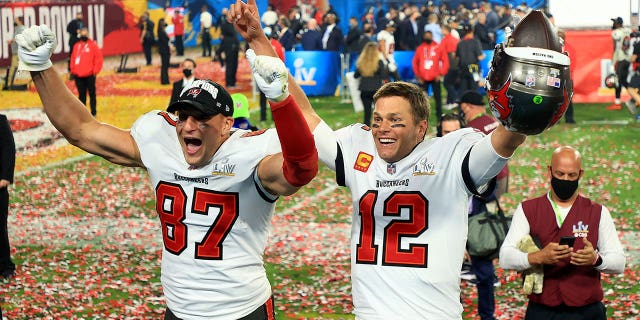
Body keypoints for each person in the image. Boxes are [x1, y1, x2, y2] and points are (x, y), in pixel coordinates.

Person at [16, 20, 318, 319]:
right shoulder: (161, 142)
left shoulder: (249, 154)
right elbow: (81, 130)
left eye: (201, 118)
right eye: (183, 115)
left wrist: (281, 101)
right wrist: (40, 67)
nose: (188, 126)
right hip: (179, 309)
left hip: (240, 309)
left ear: (227, 124)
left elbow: (301, 169)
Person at [500, 146, 626, 320]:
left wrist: (596, 260)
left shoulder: (598, 212)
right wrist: (537, 257)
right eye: (560, 174)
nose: (565, 179)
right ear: (549, 171)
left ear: (580, 174)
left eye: (571, 175)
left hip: (587, 311)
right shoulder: (528, 209)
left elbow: (619, 262)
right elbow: (505, 257)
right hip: (542, 310)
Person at [412, 30, 449, 130]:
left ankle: (440, 117)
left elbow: (445, 61)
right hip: (423, 78)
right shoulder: (420, 48)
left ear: (432, 36)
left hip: (435, 77)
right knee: (421, 99)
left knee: (438, 98)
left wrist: (441, 74)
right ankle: (421, 117)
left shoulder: (438, 47)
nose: (428, 37)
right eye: (426, 36)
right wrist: (418, 75)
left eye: (429, 35)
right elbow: (415, 62)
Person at [354, 42, 390, 126]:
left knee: (367, 114)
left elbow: (356, 75)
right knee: (379, 113)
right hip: (376, 90)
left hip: (364, 90)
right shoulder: (379, 62)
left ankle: (366, 132)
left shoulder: (361, 63)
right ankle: (380, 128)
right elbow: (384, 76)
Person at [70, 27, 103, 117]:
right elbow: (73, 58)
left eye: (85, 34)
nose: (84, 35)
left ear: (88, 34)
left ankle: (93, 112)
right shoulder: (77, 46)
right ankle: (83, 114)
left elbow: (99, 59)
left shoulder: (93, 45)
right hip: (79, 75)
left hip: (90, 75)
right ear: (80, 35)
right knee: (81, 95)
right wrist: (73, 70)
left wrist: (95, 71)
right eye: (82, 34)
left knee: (92, 94)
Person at [0, 113, 15, 280]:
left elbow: (9, 149)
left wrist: (5, 177)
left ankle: (5, 266)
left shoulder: (1, 121)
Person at [607, 17, 632, 111]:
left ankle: (618, 103)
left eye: (614, 22)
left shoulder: (616, 32)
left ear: (617, 23)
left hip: (621, 58)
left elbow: (615, 47)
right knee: (623, 80)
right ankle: (635, 96)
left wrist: (614, 60)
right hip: (629, 58)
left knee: (618, 81)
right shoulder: (628, 30)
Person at [456, 23, 485, 94]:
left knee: (463, 90)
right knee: (474, 89)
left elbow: (457, 58)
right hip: (473, 69)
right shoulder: (475, 42)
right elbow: (480, 57)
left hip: (463, 69)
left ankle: (463, 104)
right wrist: (484, 55)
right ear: (472, 31)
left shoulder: (460, 43)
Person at [218, 8, 240, 88]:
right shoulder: (225, 25)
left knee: (235, 65)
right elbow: (229, 34)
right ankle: (229, 82)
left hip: (235, 47)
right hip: (228, 47)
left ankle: (233, 82)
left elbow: (235, 35)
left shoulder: (234, 24)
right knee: (230, 64)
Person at [4, 17, 26, 90]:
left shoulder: (22, 28)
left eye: (16, 20)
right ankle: (9, 83)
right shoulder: (18, 28)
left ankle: (9, 85)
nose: (14, 21)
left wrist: (11, 41)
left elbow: (20, 38)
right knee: (14, 68)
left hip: (18, 52)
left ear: (20, 21)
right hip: (16, 52)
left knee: (13, 68)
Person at [157, 18, 171, 85]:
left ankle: (165, 80)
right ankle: (164, 80)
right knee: (165, 66)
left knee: (165, 66)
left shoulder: (162, 31)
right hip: (164, 50)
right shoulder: (161, 32)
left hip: (164, 50)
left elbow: (167, 25)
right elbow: (165, 41)